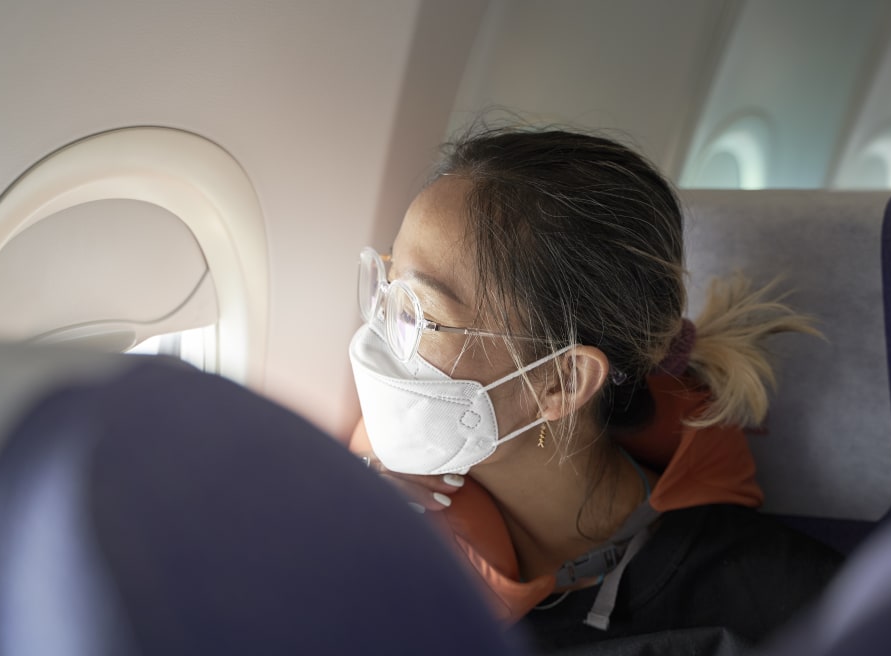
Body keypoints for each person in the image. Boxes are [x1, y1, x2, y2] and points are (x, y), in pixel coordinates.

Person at [346, 125, 843, 652]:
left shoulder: (787, 615)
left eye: (419, 314)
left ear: (562, 381)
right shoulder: (399, 546)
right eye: (386, 287)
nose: (375, 335)